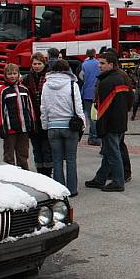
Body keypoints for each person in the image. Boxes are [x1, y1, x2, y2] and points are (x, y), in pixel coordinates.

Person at [85, 51, 132, 192]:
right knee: (109, 152)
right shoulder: (124, 76)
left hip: (111, 123)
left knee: (112, 153)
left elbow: (103, 108)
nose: (99, 66)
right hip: (121, 121)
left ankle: (118, 181)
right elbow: (131, 99)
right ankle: (100, 179)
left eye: (102, 63)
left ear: (111, 64)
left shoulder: (107, 82)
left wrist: (101, 127)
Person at [41, 59, 84, 196]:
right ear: (67, 70)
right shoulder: (72, 85)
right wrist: (82, 124)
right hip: (70, 126)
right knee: (71, 159)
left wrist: (45, 125)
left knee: (57, 159)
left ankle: (60, 190)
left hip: (53, 126)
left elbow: (44, 107)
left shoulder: (46, 85)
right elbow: (78, 107)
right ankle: (72, 189)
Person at [22, 53, 53, 176]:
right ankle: (40, 171)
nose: (36, 66)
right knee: (36, 147)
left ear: (44, 64)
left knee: (46, 148)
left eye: (39, 63)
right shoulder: (27, 79)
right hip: (33, 117)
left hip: (46, 116)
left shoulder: (49, 78)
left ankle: (48, 172)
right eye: (34, 64)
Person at [79, 48, 101, 145]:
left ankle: (93, 137)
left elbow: (81, 78)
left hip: (87, 93)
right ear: (95, 54)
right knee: (96, 115)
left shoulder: (83, 65)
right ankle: (95, 136)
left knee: (91, 117)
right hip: (97, 93)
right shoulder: (99, 64)